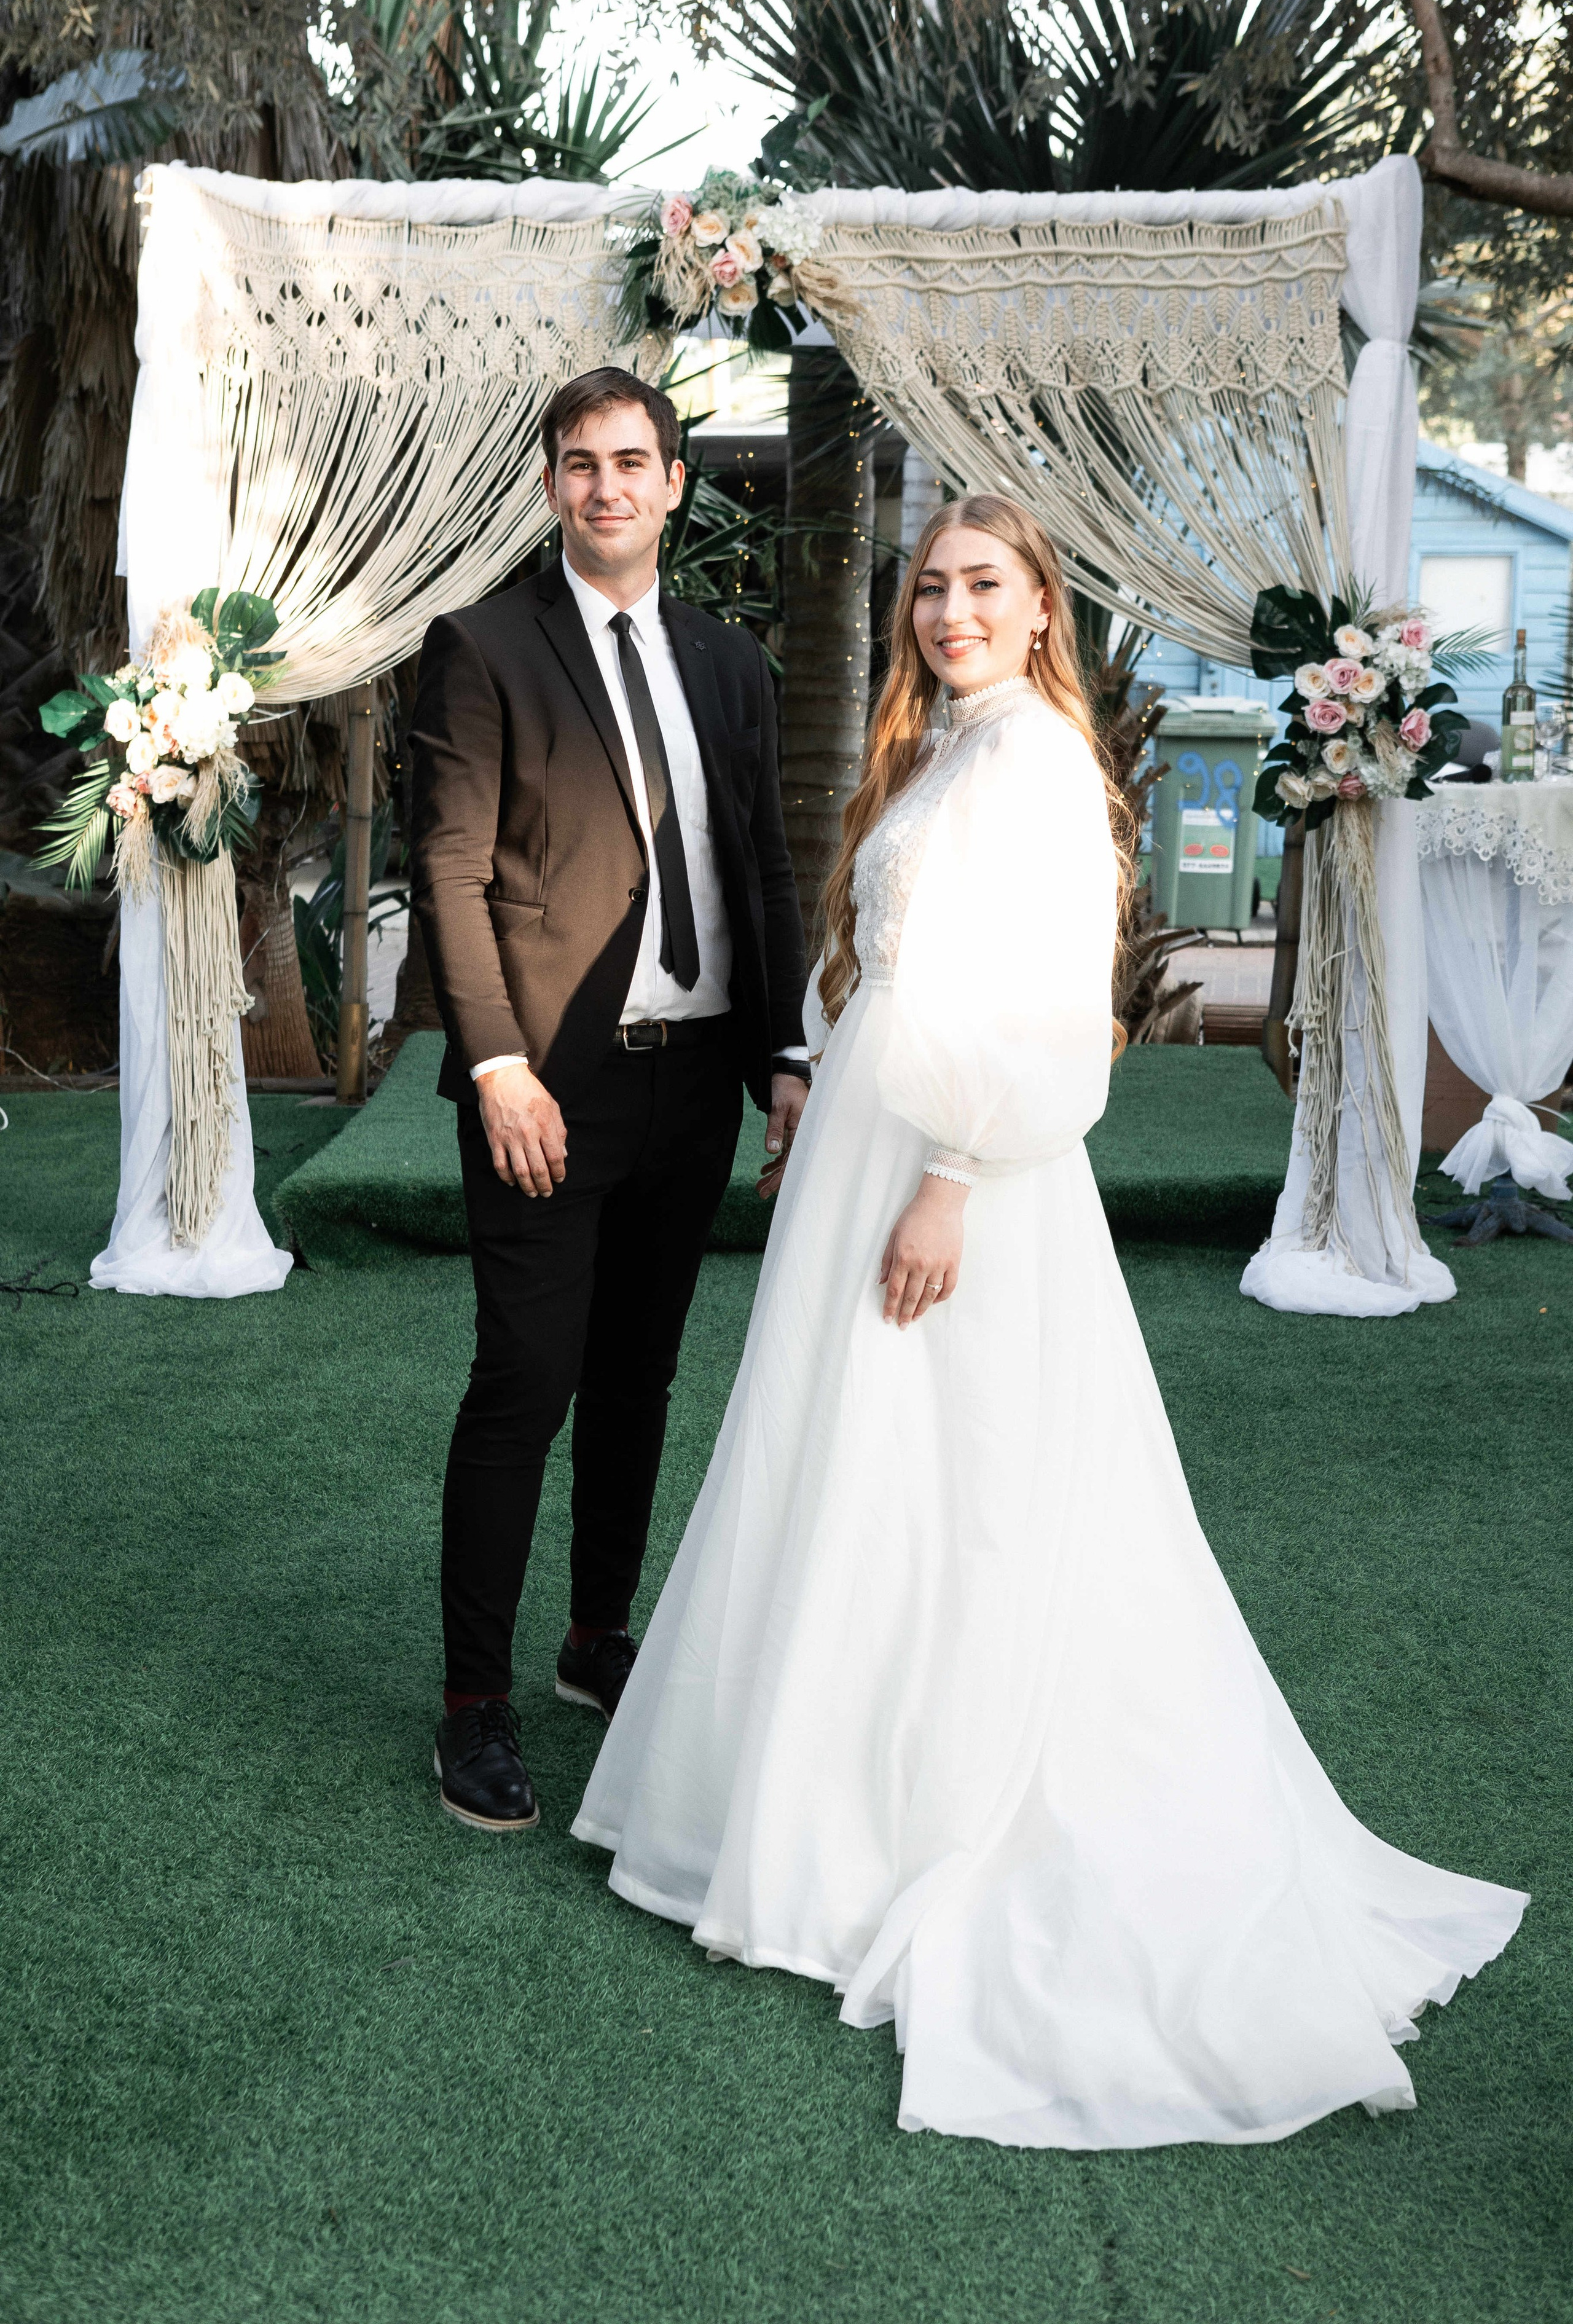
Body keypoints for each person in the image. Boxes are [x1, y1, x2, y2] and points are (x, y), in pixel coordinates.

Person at [571, 493, 1527, 2149]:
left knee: (969, 1490)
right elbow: (887, 951)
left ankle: (930, 1806)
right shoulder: (940, 752)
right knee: (849, 1468)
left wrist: (949, 1173)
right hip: (866, 1148)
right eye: (931, 588)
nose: (949, 610)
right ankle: (814, 1803)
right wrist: (823, 1078)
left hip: (969, 1174)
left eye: (983, 586)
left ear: (1038, 613)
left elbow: (1049, 1015)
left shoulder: (1043, 774)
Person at [409, 367, 810, 1832]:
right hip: (546, 1096)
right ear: (549, 485)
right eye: (579, 464)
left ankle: (592, 1642)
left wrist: (785, 1056)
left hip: (697, 1084)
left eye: (632, 461)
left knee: (637, 1383)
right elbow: (450, 873)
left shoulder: (730, 664)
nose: (606, 487)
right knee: (527, 1384)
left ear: (675, 481)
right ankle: (472, 1707)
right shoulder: (481, 649)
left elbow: (758, 867)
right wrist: (501, 1065)